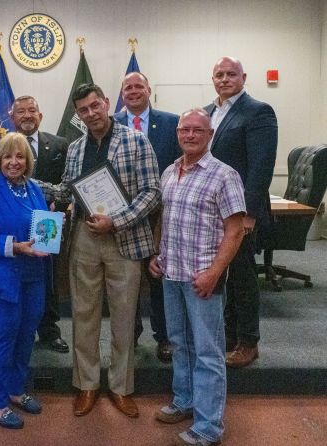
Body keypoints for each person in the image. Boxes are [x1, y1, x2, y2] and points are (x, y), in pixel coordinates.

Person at [37, 83, 160, 418]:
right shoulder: (76, 148)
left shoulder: (136, 141)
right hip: (84, 239)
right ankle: (87, 385)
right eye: (83, 110)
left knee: (123, 318)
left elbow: (152, 192)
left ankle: (121, 388)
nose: (90, 114)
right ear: (77, 114)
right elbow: (68, 189)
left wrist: (117, 221)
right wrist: (34, 185)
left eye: (95, 106)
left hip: (124, 238)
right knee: (84, 315)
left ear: (107, 103)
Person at [150, 109, 245, 446]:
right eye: (184, 129)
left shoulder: (224, 175)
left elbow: (235, 232)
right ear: (177, 133)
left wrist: (214, 272)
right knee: (179, 343)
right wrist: (156, 255)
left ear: (210, 134)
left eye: (197, 130)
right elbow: (165, 216)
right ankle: (185, 400)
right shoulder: (169, 171)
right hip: (171, 272)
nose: (189, 135)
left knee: (208, 352)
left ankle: (208, 427)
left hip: (203, 276)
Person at [0, 132, 48, 429]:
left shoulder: (33, 188)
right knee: (3, 341)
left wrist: (48, 227)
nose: (14, 162)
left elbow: (39, 226)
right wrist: (14, 246)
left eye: (20, 156)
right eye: (7, 156)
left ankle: (16, 390)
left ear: (27, 160)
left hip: (33, 276)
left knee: (26, 336)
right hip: (2, 279)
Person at [204, 57, 278, 368]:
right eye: (219, 74)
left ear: (243, 77)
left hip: (240, 213)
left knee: (243, 277)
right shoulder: (208, 112)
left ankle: (249, 341)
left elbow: (261, 167)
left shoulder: (258, 111)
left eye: (230, 74)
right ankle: (231, 336)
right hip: (211, 211)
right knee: (224, 275)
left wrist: (248, 215)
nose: (224, 79)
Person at [0, 95, 69, 353]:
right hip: (13, 224)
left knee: (48, 276)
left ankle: (49, 330)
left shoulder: (59, 144)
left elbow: (67, 185)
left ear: (40, 115)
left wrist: (61, 206)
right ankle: (15, 328)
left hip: (48, 223)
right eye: (20, 111)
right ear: (12, 117)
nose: (27, 115)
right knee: (14, 276)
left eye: (32, 110)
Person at [114, 71, 181, 362]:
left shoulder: (172, 122)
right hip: (124, 214)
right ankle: (130, 334)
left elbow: (183, 161)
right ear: (122, 93)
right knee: (126, 279)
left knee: (158, 275)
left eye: (138, 86)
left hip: (161, 212)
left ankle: (164, 336)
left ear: (149, 90)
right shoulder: (111, 123)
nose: (133, 91)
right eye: (127, 87)